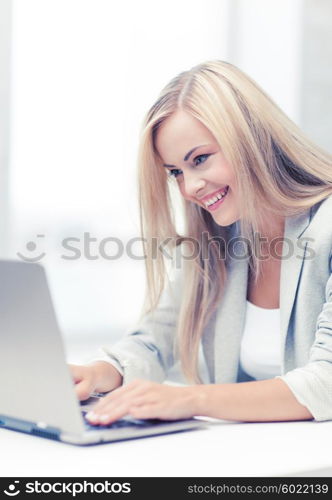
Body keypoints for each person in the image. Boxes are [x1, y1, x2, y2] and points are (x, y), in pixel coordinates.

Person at [69, 60, 332, 425]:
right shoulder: (219, 239)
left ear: (250, 138)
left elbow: (327, 381)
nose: (189, 188)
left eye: (200, 159)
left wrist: (190, 399)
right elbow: (155, 339)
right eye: (176, 172)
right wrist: (101, 372)